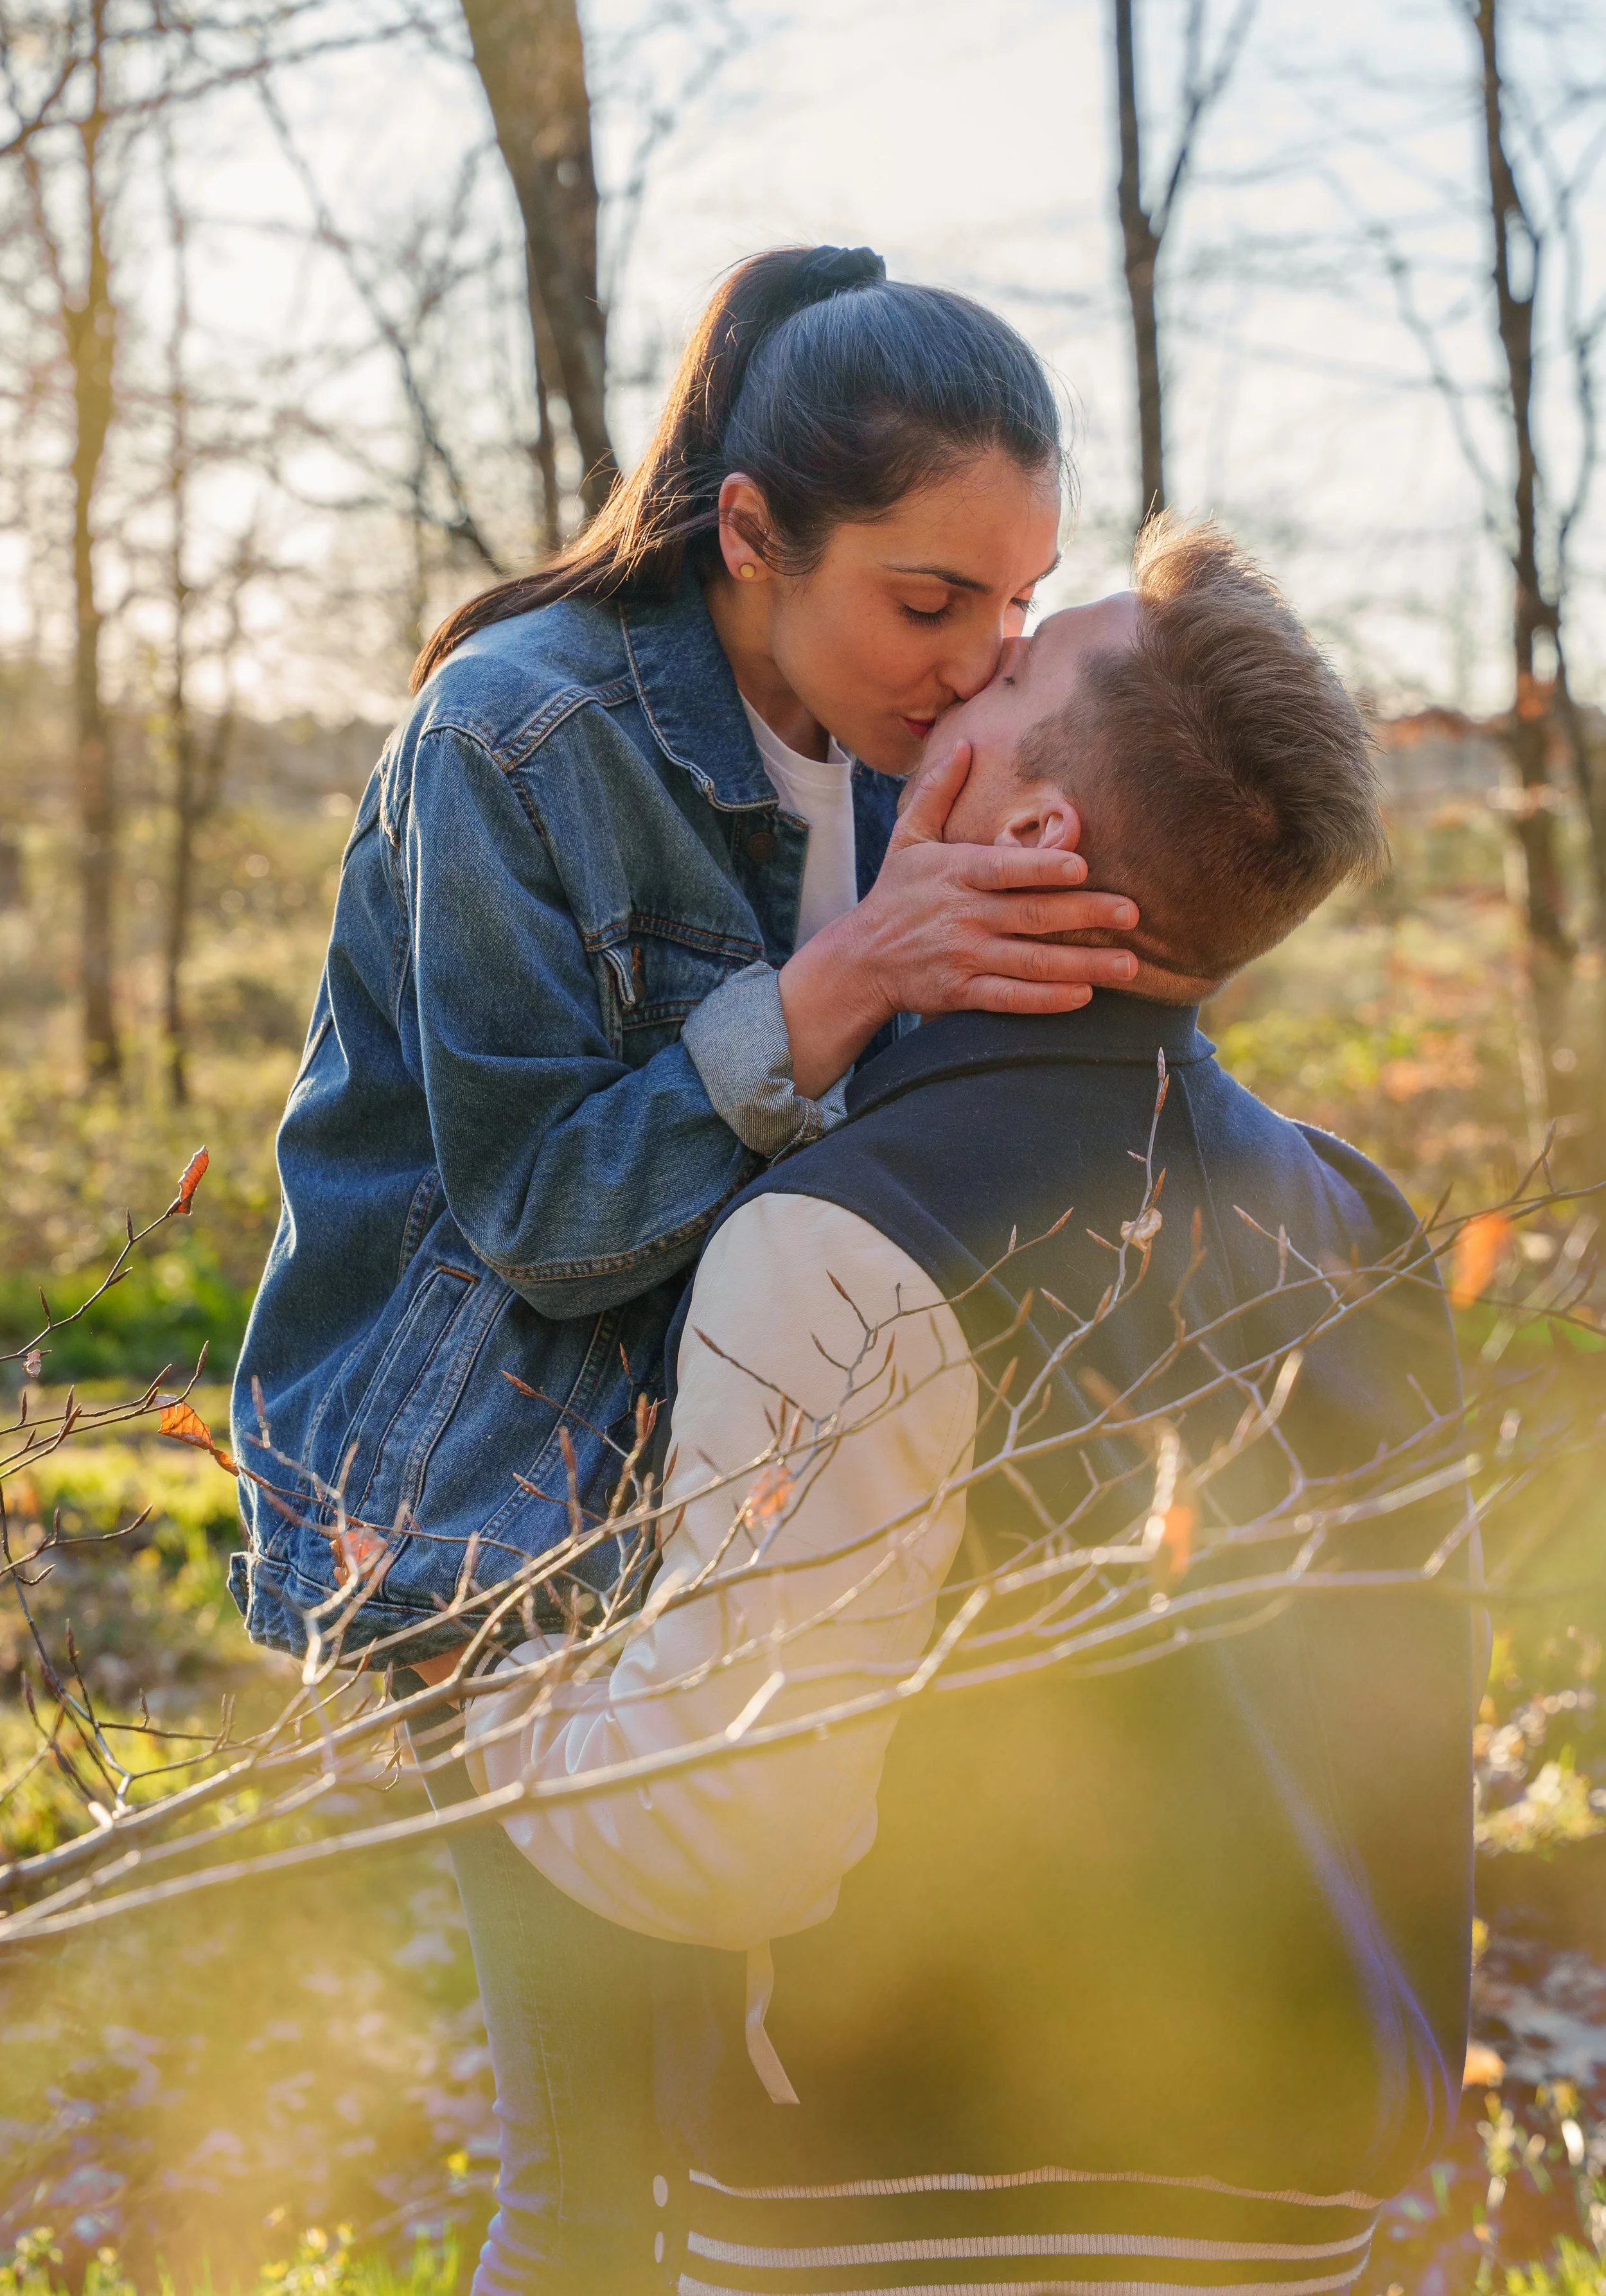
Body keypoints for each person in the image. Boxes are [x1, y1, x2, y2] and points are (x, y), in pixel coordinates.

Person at [226, 247, 1142, 2293]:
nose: (980, 654)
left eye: (1016, 599)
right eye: (929, 600)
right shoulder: (513, 742)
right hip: (488, 1513)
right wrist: (836, 988)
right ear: (751, 530)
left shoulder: (942, 746)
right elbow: (543, 1215)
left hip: (760, 1498)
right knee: (601, 2174)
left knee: (752, 2164)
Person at [466, 520, 1477, 2296]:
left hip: (887, 2211)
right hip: (1293, 2213)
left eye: (1008, 674)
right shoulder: (1366, 1221)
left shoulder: (840, 1239)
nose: (956, 674)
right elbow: (1407, 1750)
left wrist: (486, 1688)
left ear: (1029, 835)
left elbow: (728, 1830)